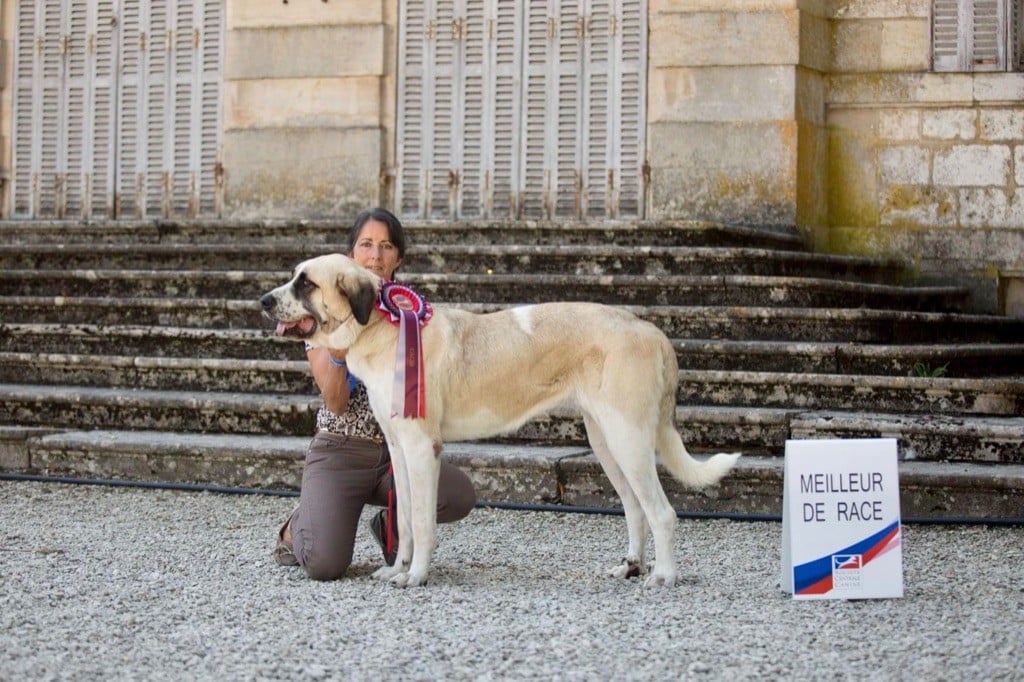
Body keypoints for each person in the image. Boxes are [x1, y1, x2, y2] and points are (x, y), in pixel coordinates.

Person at [273, 207, 476, 580]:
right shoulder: (322, 311)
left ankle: (391, 526)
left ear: (398, 257)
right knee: (325, 564)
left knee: (457, 493)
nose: (375, 256)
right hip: (343, 448)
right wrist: (339, 348)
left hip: (393, 452)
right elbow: (335, 401)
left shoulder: (414, 314)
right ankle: (301, 523)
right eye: (366, 245)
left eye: (385, 246)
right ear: (351, 255)